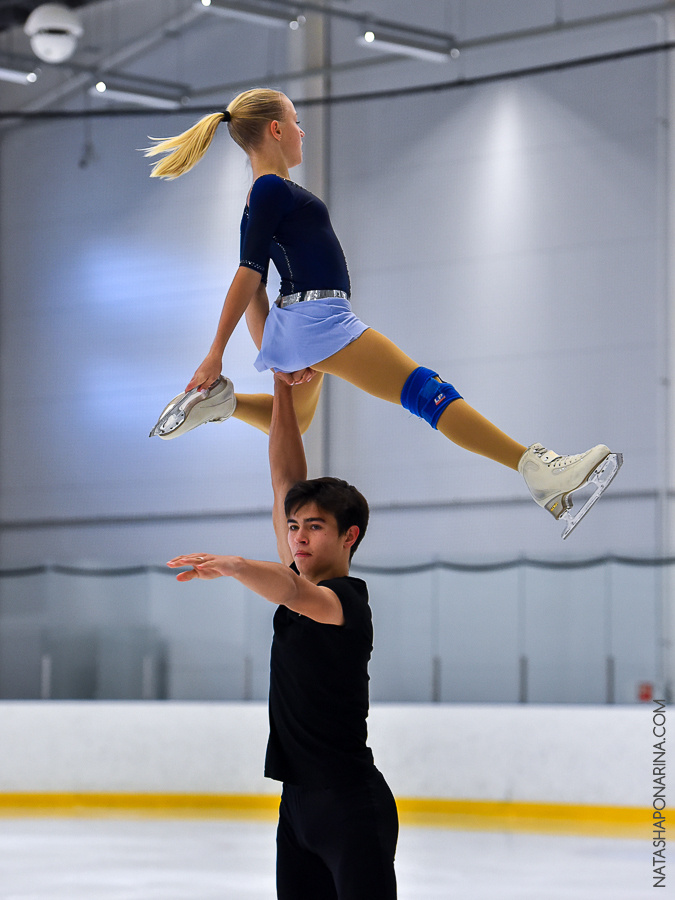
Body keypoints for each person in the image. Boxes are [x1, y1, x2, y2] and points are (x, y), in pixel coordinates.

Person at [146, 88, 621, 538]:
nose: (301, 131)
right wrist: (216, 355)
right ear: (274, 129)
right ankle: (540, 471)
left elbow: (256, 291)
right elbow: (248, 275)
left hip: (300, 326)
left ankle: (224, 405)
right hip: (318, 321)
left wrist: (274, 350)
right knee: (425, 392)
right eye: (296, 121)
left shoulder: (261, 196)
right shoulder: (270, 189)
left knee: (300, 422)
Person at [167, 373, 399, 900]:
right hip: (295, 808)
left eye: (313, 527)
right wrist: (283, 387)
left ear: (349, 535)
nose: (297, 536)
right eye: (293, 527)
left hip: (350, 807)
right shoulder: (296, 573)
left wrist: (234, 565)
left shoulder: (346, 602)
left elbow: (293, 594)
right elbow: (284, 478)